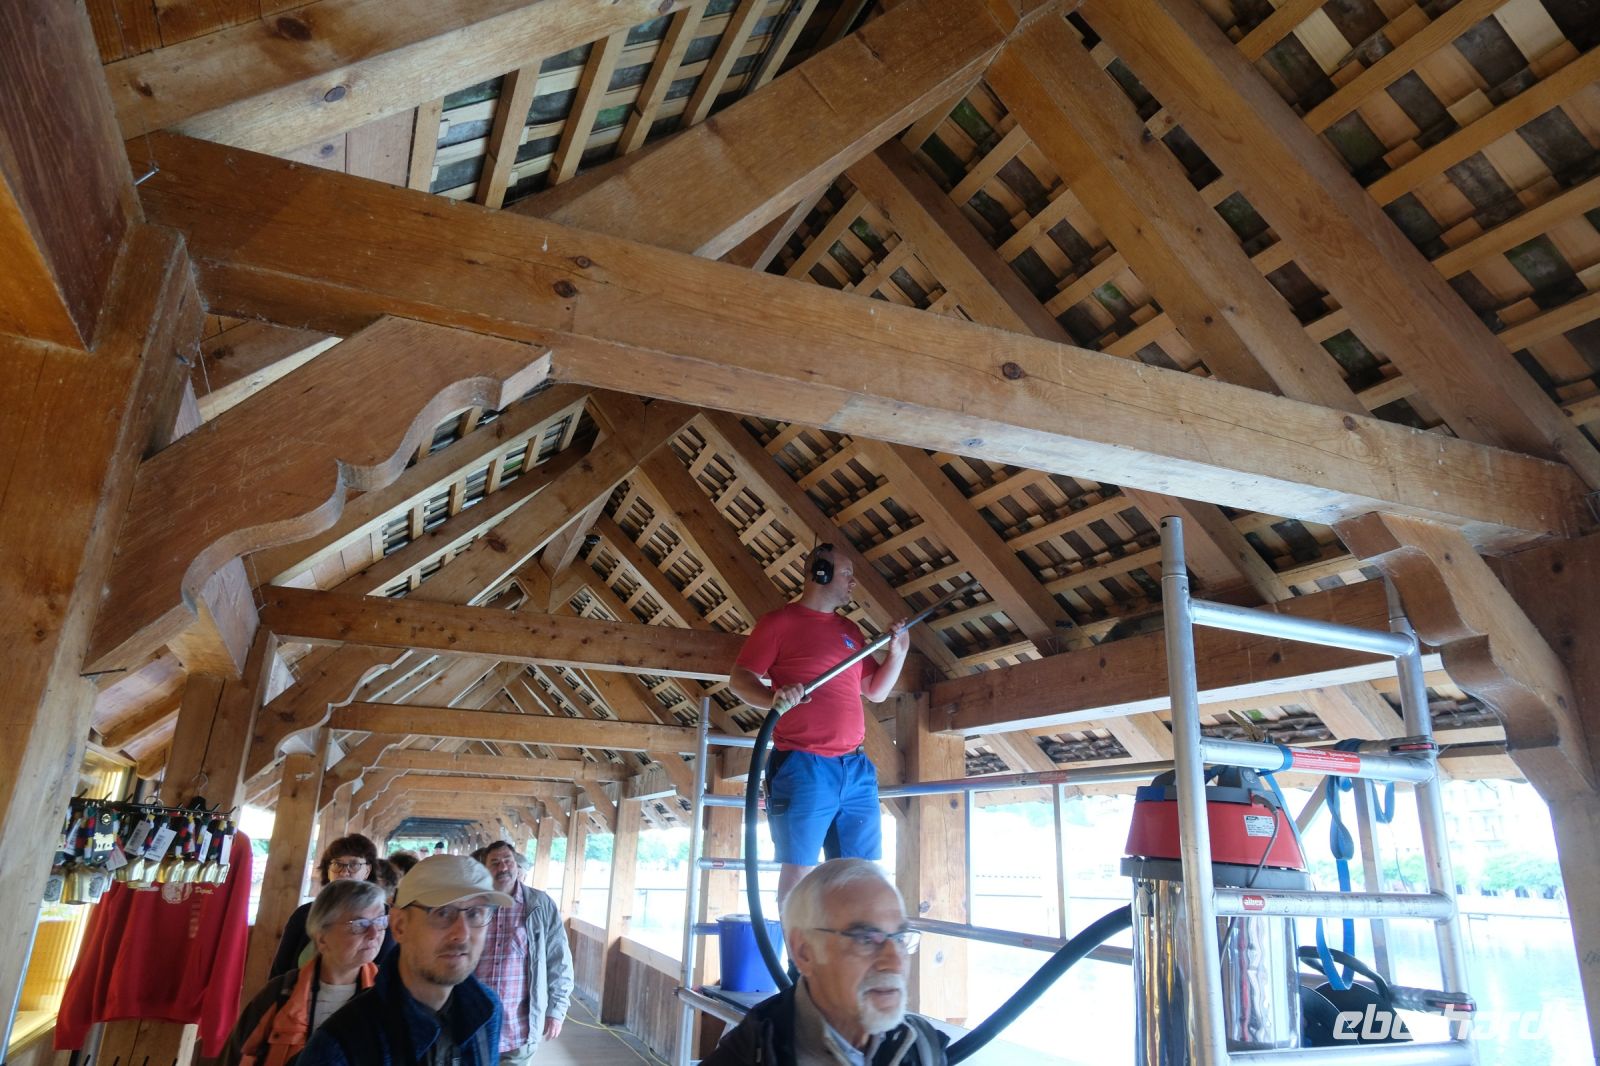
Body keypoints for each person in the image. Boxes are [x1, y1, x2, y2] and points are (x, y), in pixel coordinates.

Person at [730, 544, 910, 904]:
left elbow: (874, 691)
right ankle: (797, 960)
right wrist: (773, 699)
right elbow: (740, 679)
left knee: (861, 870)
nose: (853, 583)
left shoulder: (850, 630)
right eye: (846, 574)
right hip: (803, 763)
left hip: (855, 765)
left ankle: (847, 953)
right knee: (799, 868)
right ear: (821, 574)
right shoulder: (779, 623)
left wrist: (898, 654)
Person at [701, 860, 946, 1066]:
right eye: (865, 939)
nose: (894, 963)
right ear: (804, 952)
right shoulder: (754, 1053)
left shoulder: (921, 1045)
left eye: (900, 938)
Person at [299, 855, 510, 1066]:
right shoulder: (340, 1045)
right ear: (399, 926)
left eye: (475, 914)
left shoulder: (488, 1012)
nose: (462, 933)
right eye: (442, 912)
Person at [223, 880, 387, 1066]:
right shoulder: (279, 994)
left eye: (380, 921)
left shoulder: (392, 996)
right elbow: (235, 1057)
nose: (374, 933)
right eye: (360, 924)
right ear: (322, 938)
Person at [474, 840, 573, 1065]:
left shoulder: (540, 904)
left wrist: (557, 1009)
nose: (503, 868)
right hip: (474, 1023)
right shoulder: (472, 903)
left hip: (519, 1027)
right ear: (485, 869)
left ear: (517, 866)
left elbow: (559, 959)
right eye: (495, 863)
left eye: (508, 861)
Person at [271, 835, 393, 979]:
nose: (344, 871)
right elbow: (280, 970)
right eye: (337, 864)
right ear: (328, 870)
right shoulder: (305, 913)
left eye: (354, 864)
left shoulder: (381, 916)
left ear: (367, 871)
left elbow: (387, 971)